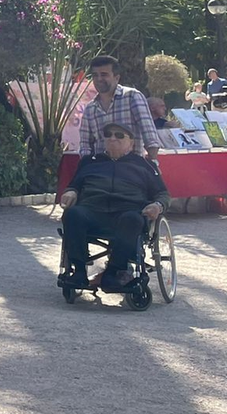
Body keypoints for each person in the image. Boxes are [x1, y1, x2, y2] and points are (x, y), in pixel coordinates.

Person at [59, 123, 170, 290]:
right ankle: (79, 272)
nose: (112, 138)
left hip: (126, 212)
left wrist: (157, 205)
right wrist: (71, 192)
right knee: (73, 214)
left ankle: (112, 273)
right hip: (92, 210)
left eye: (119, 135)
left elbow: (162, 193)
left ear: (131, 142)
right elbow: (74, 185)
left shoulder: (144, 165)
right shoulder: (89, 162)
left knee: (133, 219)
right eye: (108, 134)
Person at [78, 56, 161, 160]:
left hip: (131, 167)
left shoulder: (132, 97)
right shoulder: (90, 109)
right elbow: (85, 145)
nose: (99, 79)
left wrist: (153, 162)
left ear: (116, 78)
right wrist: (87, 166)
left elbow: (149, 134)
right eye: (95, 75)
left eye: (104, 75)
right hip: (102, 169)